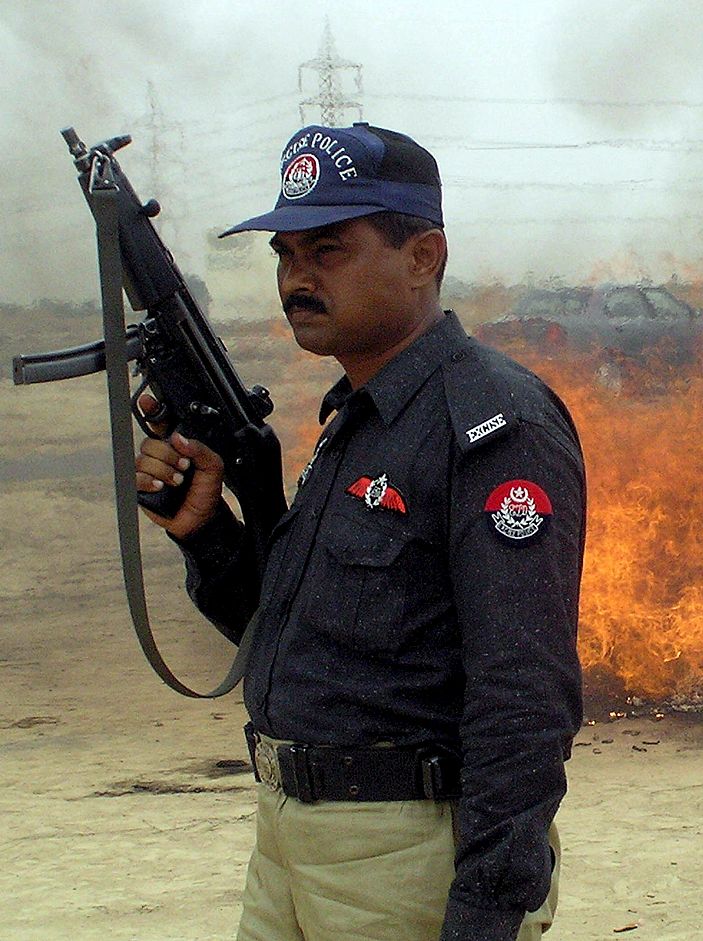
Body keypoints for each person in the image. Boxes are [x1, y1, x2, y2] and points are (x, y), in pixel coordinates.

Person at [134, 122, 584, 941]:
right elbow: (299, 640)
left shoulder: (489, 423)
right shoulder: (358, 421)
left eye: (328, 251)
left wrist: (487, 906)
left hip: (403, 858)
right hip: (286, 843)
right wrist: (208, 537)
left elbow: (524, 693)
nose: (297, 278)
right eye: (286, 255)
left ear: (423, 257)